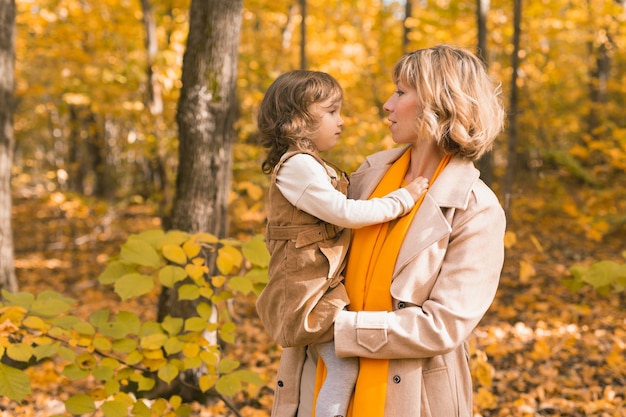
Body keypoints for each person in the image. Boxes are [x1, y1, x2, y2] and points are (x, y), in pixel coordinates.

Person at [267, 44, 507, 417]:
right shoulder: (366, 176)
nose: (387, 104)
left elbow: (441, 326)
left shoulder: (477, 208)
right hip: (320, 385)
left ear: (437, 102)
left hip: (409, 398)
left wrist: (340, 328)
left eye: (400, 92)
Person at [255, 70, 429, 417]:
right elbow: (343, 213)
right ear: (298, 120)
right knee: (343, 366)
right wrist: (402, 200)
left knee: (343, 367)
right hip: (305, 288)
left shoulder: (313, 164)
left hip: (321, 285)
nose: (342, 121)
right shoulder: (298, 166)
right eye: (331, 112)